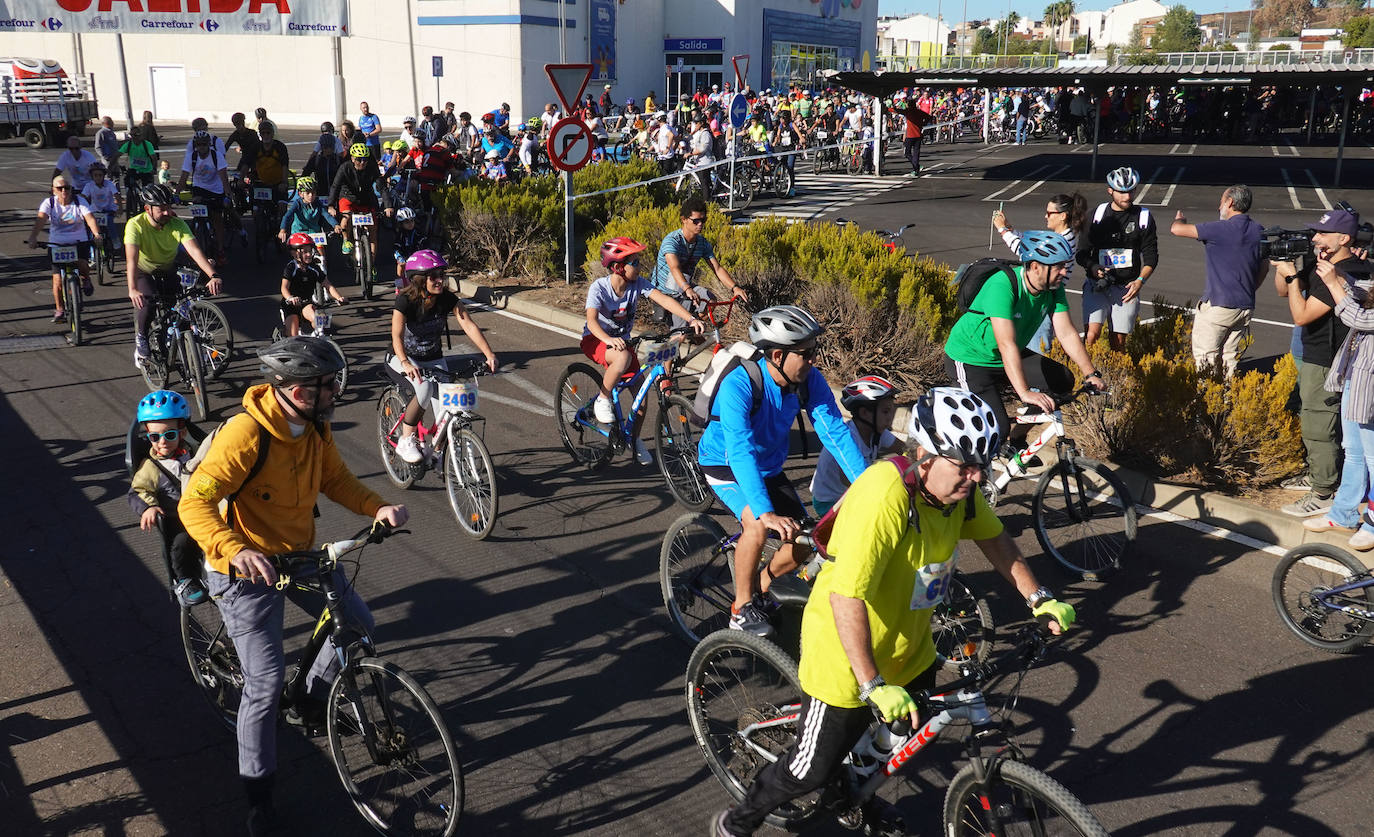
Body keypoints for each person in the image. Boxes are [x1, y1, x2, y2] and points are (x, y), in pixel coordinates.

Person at [711, 388, 1076, 837]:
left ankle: (851, 793)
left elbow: (995, 538)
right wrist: (871, 684)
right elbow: (847, 598)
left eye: (980, 466)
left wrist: (1039, 597)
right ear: (924, 456)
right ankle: (737, 823)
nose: (977, 478)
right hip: (846, 661)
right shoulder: (883, 498)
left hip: (907, 648)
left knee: (903, 734)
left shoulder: (956, 491)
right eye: (964, 466)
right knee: (809, 770)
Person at [178, 336, 409, 835]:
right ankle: (258, 796)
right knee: (262, 682)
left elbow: (337, 480)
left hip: (299, 556)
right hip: (242, 568)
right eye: (320, 386)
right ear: (288, 388)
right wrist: (236, 549)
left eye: (331, 383)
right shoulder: (245, 434)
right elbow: (193, 505)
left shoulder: (314, 428)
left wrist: (378, 507)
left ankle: (310, 696)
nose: (332, 392)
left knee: (359, 625)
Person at [696, 305, 869, 636]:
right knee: (757, 528)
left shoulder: (808, 380)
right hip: (725, 463)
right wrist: (764, 512)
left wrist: (867, 484)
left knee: (809, 540)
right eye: (806, 354)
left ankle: (760, 586)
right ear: (777, 355)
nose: (814, 360)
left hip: (768, 468)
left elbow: (835, 432)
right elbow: (741, 451)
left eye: (814, 351)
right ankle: (740, 608)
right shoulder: (739, 384)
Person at [945, 230, 1104, 449]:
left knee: (1062, 381)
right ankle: (970, 476)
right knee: (994, 430)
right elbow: (1006, 343)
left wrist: (1090, 373)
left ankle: (1017, 438)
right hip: (971, 359)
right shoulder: (1003, 285)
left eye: (1064, 265)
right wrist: (1024, 393)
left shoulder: (1052, 289)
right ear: (1036, 266)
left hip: (1007, 356)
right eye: (1057, 266)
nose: (1064, 271)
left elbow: (1066, 332)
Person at [581, 237, 705, 465]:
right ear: (619, 267)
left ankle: (635, 440)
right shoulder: (599, 288)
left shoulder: (638, 284)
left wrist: (690, 318)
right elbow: (591, 321)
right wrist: (609, 339)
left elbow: (664, 299)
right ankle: (602, 398)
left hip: (622, 345)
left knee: (642, 398)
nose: (640, 266)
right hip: (596, 340)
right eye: (635, 263)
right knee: (624, 356)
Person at [1274, 208, 1365, 519]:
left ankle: (1323, 492)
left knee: (1318, 425)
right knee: (1311, 415)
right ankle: (1316, 476)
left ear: (1344, 238)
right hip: (1310, 351)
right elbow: (1284, 290)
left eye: (1323, 234)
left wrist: (1290, 274)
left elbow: (1300, 315)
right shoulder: (1320, 263)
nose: (1315, 238)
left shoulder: (1342, 272)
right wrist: (1285, 267)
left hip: (1326, 359)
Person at [386, 250, 498, 464]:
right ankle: (406, 439)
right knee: (424, 388)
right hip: (401, 358)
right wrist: (405, 362)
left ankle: (437, 453)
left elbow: (467, 324)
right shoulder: (405, 301)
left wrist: (489, 354)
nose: (440, 280)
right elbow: (396, 336)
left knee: (447, 412)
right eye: (434, 276)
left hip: (434, 359)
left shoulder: (446, 298)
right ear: (419, 280)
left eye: (442, 275)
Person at [1305, 251, 1374, 550]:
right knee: (1354, 452)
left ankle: (1372, 524)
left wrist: (1334, 283)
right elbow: (1363, 291)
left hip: (1370, 384)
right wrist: (1343, 278)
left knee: (1373, 457)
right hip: (1356, 379)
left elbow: (1358, 316)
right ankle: (1344, 513)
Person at [1170, 185, 1266, 376]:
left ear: (1230, 202)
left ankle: (1207, 401)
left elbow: (1177, 229)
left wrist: (1180, 218)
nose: (1219, 206)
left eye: (1221, 201)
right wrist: (1250, 288)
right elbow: (1264, 267)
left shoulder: (1218, 229)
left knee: (1206, 358)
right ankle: (1228, 400)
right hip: (1245, 305)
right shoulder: (1258, 230)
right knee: (1230, 358)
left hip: (1218, 305)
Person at [125, 183, 223, 368]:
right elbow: (131, 260)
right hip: (143, 270)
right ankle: (141, 339)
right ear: (148, 209)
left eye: (169, 207)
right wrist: (133, 290)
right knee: (148, 303)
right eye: (162, 209)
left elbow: (194, 251)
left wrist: (213, 275)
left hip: (167, 268)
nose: (168, 212)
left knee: (179, 307)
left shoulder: (177, 224)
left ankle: (188, 346)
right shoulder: (135, 225)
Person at [127, 389, 207, 607]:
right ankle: (186, 580)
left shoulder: (192, 450)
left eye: (169, 435)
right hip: (177, 518)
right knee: (182, 543)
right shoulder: (151, 467)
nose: (162, 442)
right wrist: (148, 508)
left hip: (204, 509)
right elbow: (137, 491)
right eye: (154, 437)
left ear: (182, 432)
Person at [992, 191, 1089, 352]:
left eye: (1050, 213)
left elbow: (1023, 249)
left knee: (1037, 351)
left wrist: (1002, 230)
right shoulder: (1062, 237)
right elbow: (1032, 243)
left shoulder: (1064, 241)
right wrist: (1010, 229)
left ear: (1062, 216)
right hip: (1044, 298)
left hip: (1044, 299)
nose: (1046, 216)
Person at [1078, 167, 1158, 350]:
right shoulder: (1096, 215)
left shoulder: (1143, 218)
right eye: (1122, 192)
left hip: (1127, 288)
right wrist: (1093, 267)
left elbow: (1151, 256)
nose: (1127, 197)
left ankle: (1114, 375)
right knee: (1092, 335)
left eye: (1131, 191)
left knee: (1118, 343)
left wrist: (1140, 281)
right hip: (1097, 284)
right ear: (1110, 190)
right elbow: (1081, 253)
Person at [809, 376, 903, 516]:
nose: (890, 417)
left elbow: (905, 448)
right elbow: (850, 480)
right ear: (865, 413)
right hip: (830, 502)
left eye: (892, 411)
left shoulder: (877, 432)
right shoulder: (849, 439)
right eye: (885, 412)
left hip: (849, 495)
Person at [650, 198, 748, 326]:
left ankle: (695, 325)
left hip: (686, 288)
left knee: (710, 302)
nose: (700, 224)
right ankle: (685, 330)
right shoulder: (672, 241)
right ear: (684, 219)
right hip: (667, 292)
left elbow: (717, 268)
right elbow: (674, 268)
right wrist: (687, 289)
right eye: (695, 221)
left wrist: (735, 288)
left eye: (703, 220)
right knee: (680, 334)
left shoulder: (702, 243)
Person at [25, 175, 102, 322]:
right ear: (53, 190)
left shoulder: (80, 201)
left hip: (78, 242)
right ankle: (60, 310)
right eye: (60, 188)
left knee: (83, 265)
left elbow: (90, 218)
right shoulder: (49, 203)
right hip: (57, 245)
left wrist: (97, 234)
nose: (64, 191)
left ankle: (85, 279)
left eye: (67, 187)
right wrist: (33, 237)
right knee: (57, 281)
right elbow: (41, 220)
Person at [328, 143, 392, 266]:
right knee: (346, 219)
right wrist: (331, 205)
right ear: (352, 158)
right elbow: (335, 187)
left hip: (366, 199)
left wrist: (388, 206)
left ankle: (371, 264)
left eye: (365, 160)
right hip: (347, 197)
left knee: (373, 231)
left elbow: (382, 188)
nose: (362, 162)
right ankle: (346, 240)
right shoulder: (344, 167)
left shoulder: (372, 168)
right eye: (358, 159)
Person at [176, 129, 231, 264]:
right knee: (198, 216)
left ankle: (220, 249)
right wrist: (176, 193)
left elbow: (224, 178)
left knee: (217, 219)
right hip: (199, 189)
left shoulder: (216, 156)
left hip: (216, 190)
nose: (202, 147)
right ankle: (197, 239)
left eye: (204, 144)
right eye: (199, 145)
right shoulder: (192, 157)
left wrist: (228, 195)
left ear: (208, 145)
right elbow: (184, 177)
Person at [279, 233, 345, 336]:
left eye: (310, 251)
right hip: (290, 306)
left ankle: (320, 336)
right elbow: (284, 288)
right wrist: (290, 298)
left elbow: (328, 285)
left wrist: (339, 297)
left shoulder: (314, 268)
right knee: (293, 336)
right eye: (305, 252)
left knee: (319, 320)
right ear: (294, 253)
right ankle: (283, 334)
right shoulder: (291, 267)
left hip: (306, 303)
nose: (309, 254)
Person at [901, 96, 931, 176]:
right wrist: (923, 124)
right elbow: (929, 117)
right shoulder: (919, 112)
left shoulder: (908, 111)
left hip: (910, 135)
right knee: (916, 153)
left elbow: (898, 110)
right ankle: (916, 168)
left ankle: (916, 167)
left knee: (907, 153)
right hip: (918, 135)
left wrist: (888, 109)